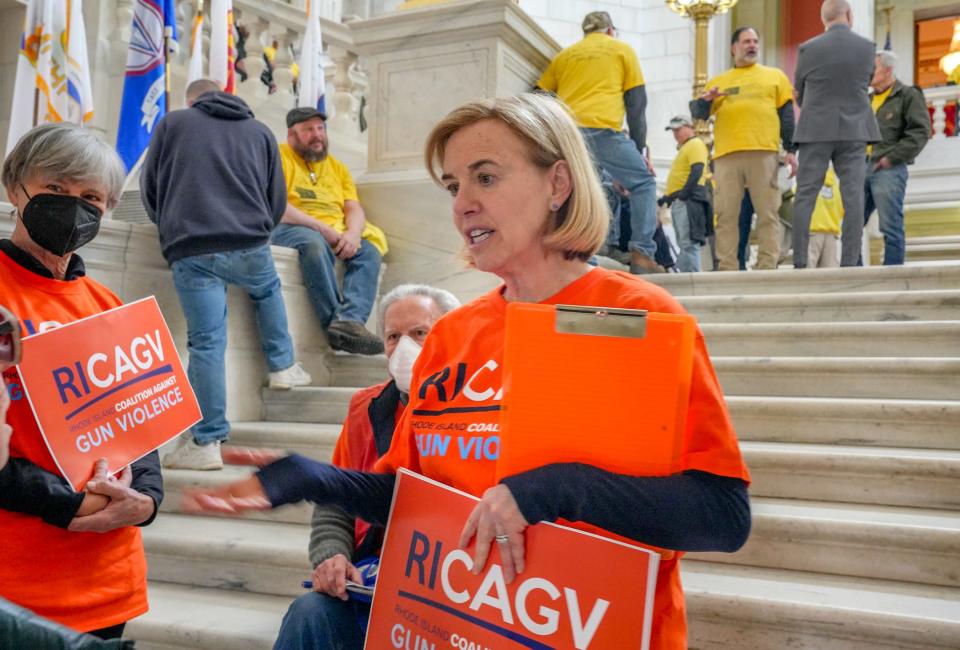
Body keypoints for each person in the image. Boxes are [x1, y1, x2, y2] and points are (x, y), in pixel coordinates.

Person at [183, 93, 751, 650]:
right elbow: (415, 496)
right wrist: (313, 480)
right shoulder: (454, 335)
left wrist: (555, 491)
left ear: (557, 185)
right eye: (455, 186)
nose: (462, 205)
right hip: (456, 623)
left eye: (485, 177)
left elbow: (721, 516)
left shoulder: (640, 317)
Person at [0, 123, 162, 640]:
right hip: (16, 588)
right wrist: (64, 503)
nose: (74, 206)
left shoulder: (109, 306)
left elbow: (145, 423)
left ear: (109, 207)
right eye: (55, 189)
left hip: (108, 579)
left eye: (90, 196)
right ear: (14, 189)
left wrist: (149, 500)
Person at [271, 284, 460, 650]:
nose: (405, 347)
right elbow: (335, 499)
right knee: (310, 613)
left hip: (451, 587)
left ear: (456, 333)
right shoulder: (366, 407)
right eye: (393, 336)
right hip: (373, 576)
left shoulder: (480, 411)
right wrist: (333, 555)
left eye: (420, 333)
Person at [141, 79, 311, 471]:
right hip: (250, 242)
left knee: (206, 343)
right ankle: (283, 366)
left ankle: (207, 442)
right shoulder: (260, 131)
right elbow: (276, 198)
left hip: (192, 246)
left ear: (192, 100)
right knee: (268, 290)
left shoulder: (174, 123)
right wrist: (256, 229)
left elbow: (151, 188)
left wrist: (169, 224)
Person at [536, 11, 662, 274]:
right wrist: (639, 152)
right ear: (609, 31)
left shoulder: (565, 56)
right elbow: (636, 104)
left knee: (585, 192)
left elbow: (538, 96)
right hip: (603, 131)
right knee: (644, 183)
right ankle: (642, 254)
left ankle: (585, 256)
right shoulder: (621, 50)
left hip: (568, 134)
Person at [271, 107, 388, 356]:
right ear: (291, 135)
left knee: (369, 251)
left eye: (320, 128)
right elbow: (278, 207)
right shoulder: (278, 157)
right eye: (308, 130)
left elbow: (353, 207)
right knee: (313, 244)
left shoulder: (337, 167)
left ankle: (350, 320)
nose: (317, 135)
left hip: (336, 229)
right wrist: (322, 228)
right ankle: (334, 324)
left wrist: (354, 234)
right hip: (291, 227)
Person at [691, 27, 798, 271]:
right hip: (727, 156)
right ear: (734, 47)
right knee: (726, 215)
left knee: (768, 213)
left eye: (755, 41)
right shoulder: (719, 81)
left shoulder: (775, 76)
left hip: (764, 153)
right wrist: (706, 101)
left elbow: (787, 116)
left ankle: (767, 266)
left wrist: (791, 150)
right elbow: (698, 115)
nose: (752, 45)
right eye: (746, 42)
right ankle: (727, 266)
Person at [791, 0, 880, 268]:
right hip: (854, 130)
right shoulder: (867, 48)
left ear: (823, 19)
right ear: (849, 15)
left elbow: (800, 92)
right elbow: (866, 83)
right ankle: (851, 261)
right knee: (853, 196)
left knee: (805, 194)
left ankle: (800, 261)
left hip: (815, 129)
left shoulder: (808, 49)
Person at [864, 50, 930, 265]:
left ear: (888, 70)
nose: (868, 73)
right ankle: (852, 272)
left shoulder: (908, 95)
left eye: (873, 68)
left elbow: (920, 133)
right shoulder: (866, 99)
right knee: (852, 225)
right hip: (861, 167)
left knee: (890, 225)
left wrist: (890, 159)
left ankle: (892, 276)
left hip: (888, 168)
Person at [659, 115, 710, 273]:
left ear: (689, 127)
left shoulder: (695, 144)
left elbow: (697, 170)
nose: (676, 134)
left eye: (678, 129)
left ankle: (692, 277)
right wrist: (668, 198)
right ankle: (688, 274)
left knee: (688, 243)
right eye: (673, 130)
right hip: (682, 199)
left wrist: (683, 195)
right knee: (684, 242)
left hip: (689, 200)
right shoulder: (686, 147)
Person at [806, 166, 844, 268]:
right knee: (829, 274)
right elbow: (843, 208)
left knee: (808, 271)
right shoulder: (837, 184)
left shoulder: (808, 180)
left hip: (812, 231)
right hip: (832, 233)